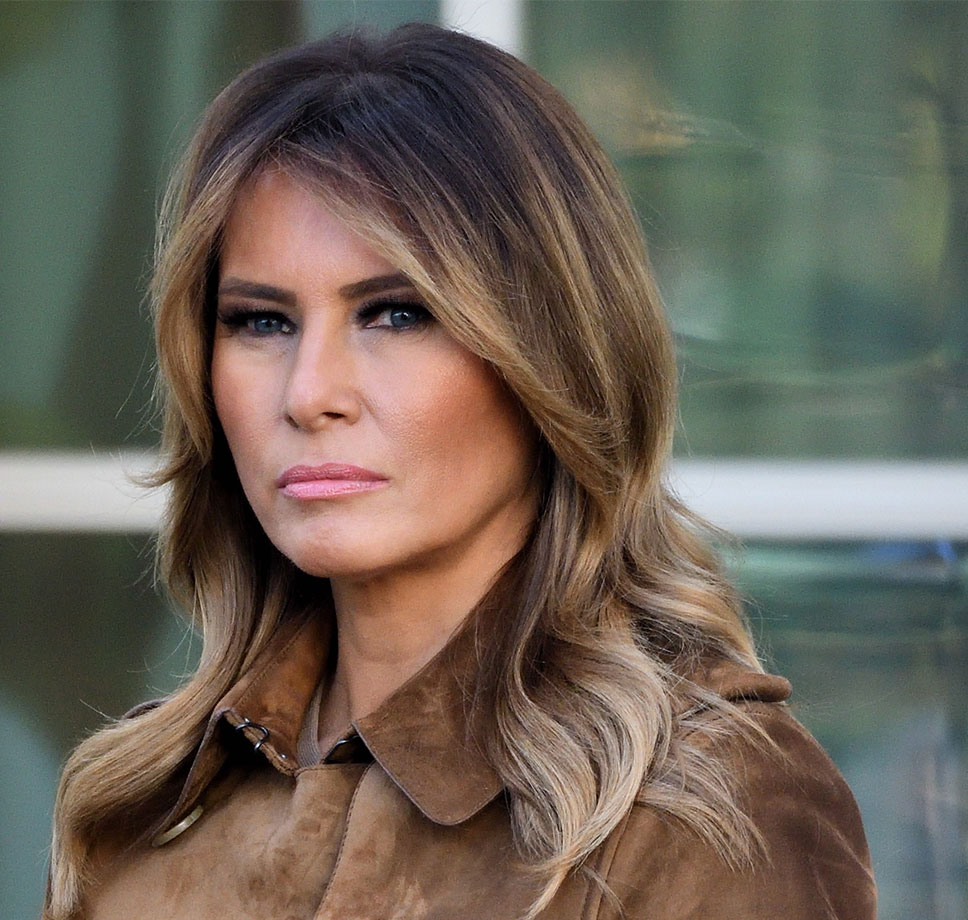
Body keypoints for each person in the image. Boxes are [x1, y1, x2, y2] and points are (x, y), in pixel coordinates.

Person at [44, 23, 876, 920]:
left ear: (550, 355)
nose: (310, 393)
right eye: (261, 322)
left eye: (396, 314)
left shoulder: (711, 806)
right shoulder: (142, 808)